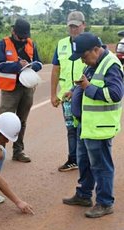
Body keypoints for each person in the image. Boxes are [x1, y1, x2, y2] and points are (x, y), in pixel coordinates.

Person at [62, 32, 124, 218]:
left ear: (95, 50)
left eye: (84, 56)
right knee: (84, 162)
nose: (83, 61)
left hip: (100, 127)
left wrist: (87, 87)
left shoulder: (111, 64)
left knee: (101, 166)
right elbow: (86, 80)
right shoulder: (95, 62)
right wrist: (74, 90)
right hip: (87, 124)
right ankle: (84, 195)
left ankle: (105, 203)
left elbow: (115, 94)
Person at [0, 18, 42, 163]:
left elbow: (39, 63)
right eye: (20, 36)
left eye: (24, 36)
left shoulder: (30, 43)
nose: (22, 39)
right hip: (10, 89)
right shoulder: (3, 44)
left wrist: (31, 66)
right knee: (4, 120)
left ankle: (18, 151)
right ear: (13, 31)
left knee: (22, 121)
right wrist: (17, 66)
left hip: (27, 87)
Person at [51, 11, 86, 172]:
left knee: (84, 129)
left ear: (83, 25)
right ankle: (73, 160)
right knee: (71, 129)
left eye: (76, 26)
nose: (73, 29)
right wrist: (53, 94)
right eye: (71, 26)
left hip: (86, 94)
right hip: (66, 97)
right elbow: (56, 70)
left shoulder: (91, 42)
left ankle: (86, 159)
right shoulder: (62, 44)